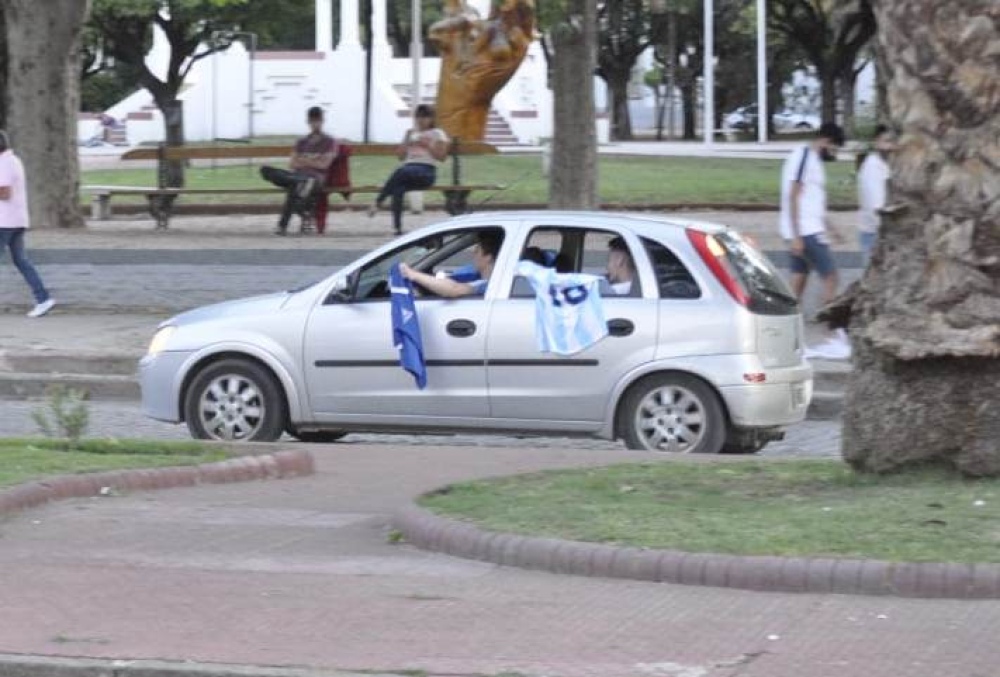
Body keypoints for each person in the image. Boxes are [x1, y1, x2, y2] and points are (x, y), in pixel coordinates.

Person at [780, 122, 849, 359]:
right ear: (825, 141)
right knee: (831, 276)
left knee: (798, 282)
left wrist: (832, 227)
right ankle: (831, 336)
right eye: (834, 148)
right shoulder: (802, 157)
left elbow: (813, 202)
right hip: (805, 231)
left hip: (809, 228)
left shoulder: (813, 162)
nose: (834, 153)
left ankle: (782, 338)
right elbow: (793, 196)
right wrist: (797, 235)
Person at [369, 105, 450, 235]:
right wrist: (406, 139)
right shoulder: (411, 133)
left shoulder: (438, 133)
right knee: (398, 189)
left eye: (425, 116)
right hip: (407, 170)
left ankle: (378, 202)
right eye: (418, 116)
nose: (421, 120)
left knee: (400, 172)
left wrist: (427, 145)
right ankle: (397, 228)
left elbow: (442, 157)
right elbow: (400, 157)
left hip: (426, 171)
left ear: (432, 118)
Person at [0, 130, 55, 318]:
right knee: (22, 261)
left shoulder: (4, 163)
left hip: (4, 221)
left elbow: (5, 193)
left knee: (22, 261)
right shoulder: (13, 160)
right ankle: (43, 299)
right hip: (16, 220)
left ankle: (43, 299)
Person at [260, 106, 338, 236]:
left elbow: (324, 165)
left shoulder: (329, 142)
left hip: (316, 178)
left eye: (317, 121)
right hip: (298, 176)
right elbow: (292, 163)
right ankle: (302, 208)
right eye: (312, 121)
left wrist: (304, 160)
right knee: (266, 170)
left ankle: (282, 226)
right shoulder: (301, 141)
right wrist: (313, 161)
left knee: (295, 186)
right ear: (308, 122)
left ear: (322, 121)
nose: (315, 124)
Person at [400, 231, 501, 298]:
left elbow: (454, 289)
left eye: (477, 250)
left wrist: (412, 274)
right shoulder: (477, 276)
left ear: (488, 256)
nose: (473, 253)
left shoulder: (489, 285)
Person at [857, 124, 895, 266]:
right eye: (886, 141)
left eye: (892, 142)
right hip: (875, 234)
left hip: (880, 232)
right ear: (876, 142)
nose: (890, 146)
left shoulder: (885, 165)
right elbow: (877, 206)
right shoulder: (872, 167)